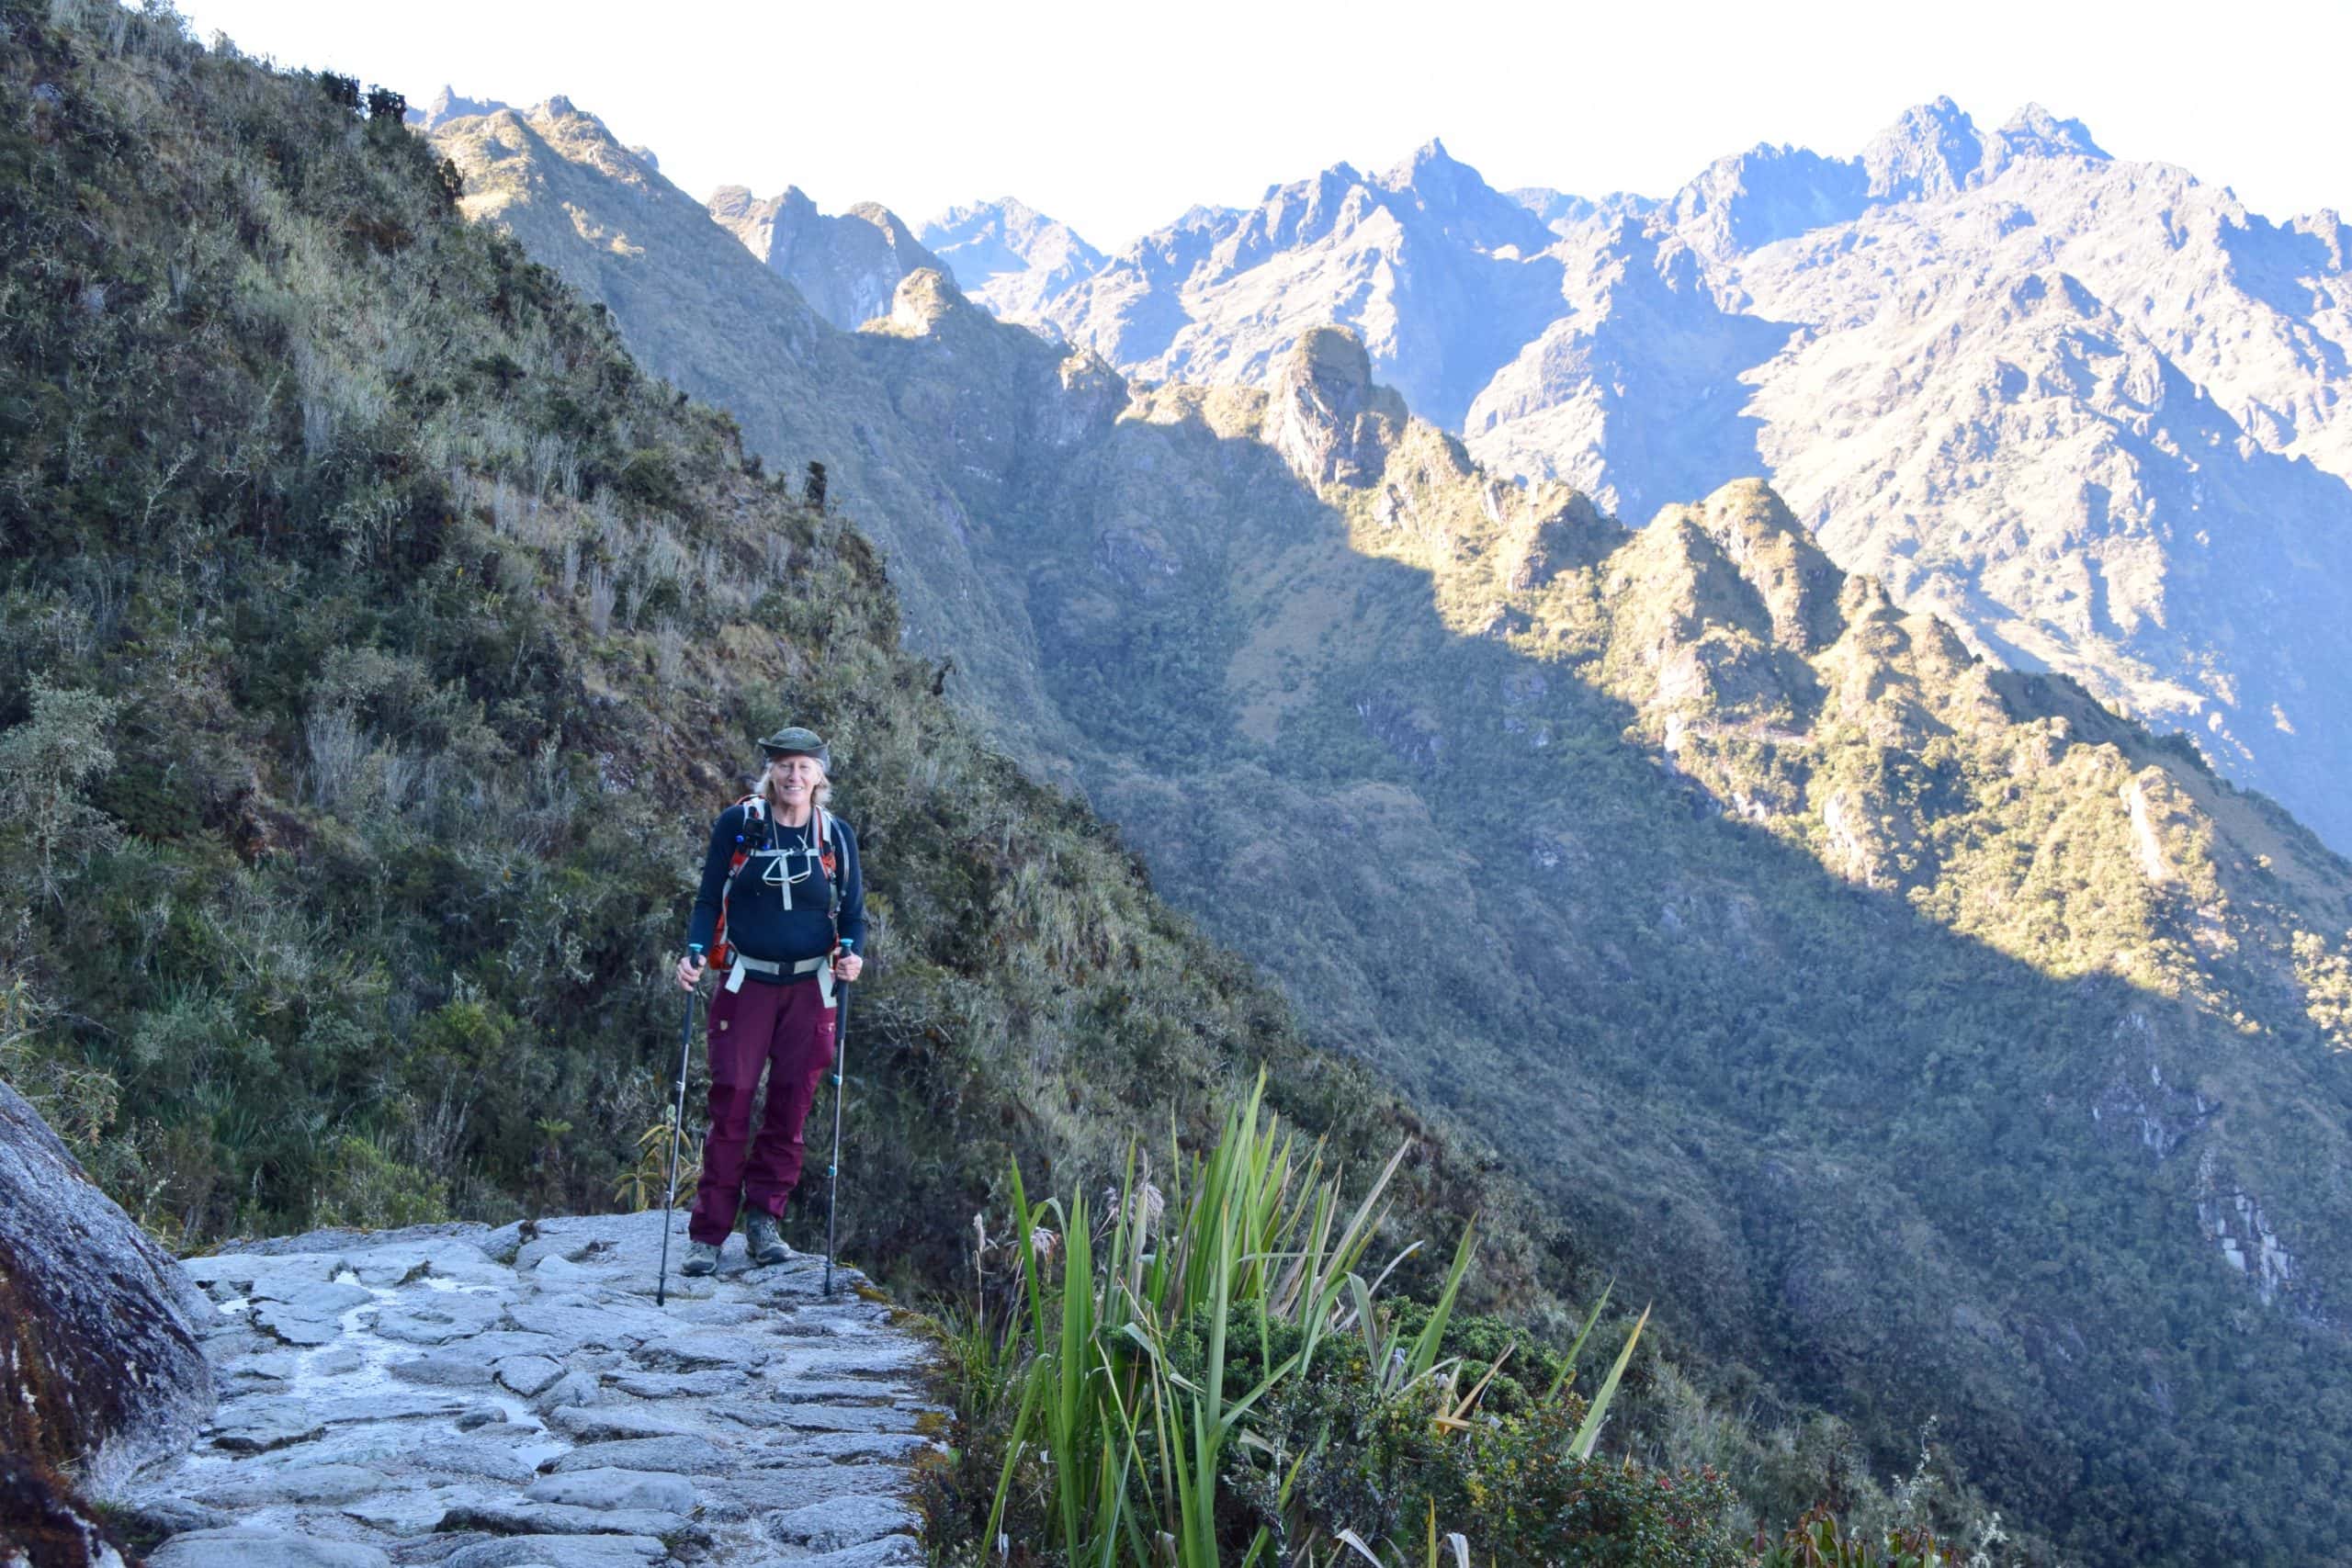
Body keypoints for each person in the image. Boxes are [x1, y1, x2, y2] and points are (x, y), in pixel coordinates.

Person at [673, 726, 865, 1275]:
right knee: (730, 1098)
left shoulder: (835, 836)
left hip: (811, 989)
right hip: (745, 982)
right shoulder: (740, 826)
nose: (793, 776)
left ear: (820, 776)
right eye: (784, 765)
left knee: (790, 1106)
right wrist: (692, 951)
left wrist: (855, 957)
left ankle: (763, 1223)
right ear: (770, 772)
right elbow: (709, 897)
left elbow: (853, 915)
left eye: (805, 766)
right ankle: (708, 1234)